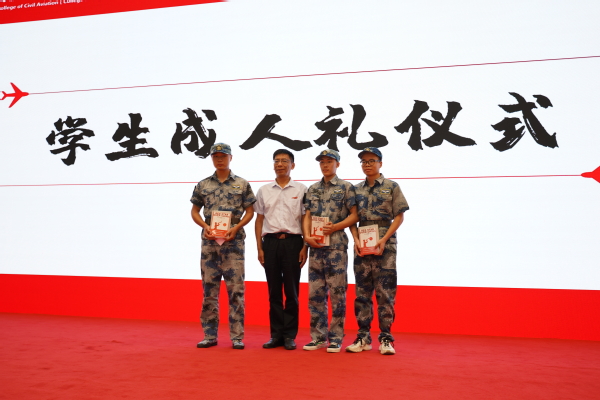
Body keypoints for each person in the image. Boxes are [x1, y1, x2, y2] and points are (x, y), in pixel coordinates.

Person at [190, 143, 256, 350]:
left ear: (231, 158)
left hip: (233, 244)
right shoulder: (203, 185)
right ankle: (209, 335)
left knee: (236, 290)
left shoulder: (242, 184)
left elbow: (250, 212)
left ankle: (237, 337)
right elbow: (194, 211)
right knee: (209, 290)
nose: (220, 159)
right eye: (216, 156)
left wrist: (236, 228)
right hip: (210, 244)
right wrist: (205, 226)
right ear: (212, 159)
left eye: (223, 156)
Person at [346, 147, 409, 355]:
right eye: (364, 161)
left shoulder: (391, 186)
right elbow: (352, 218)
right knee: (362, 292)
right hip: (362, 242)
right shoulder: (355, 189)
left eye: (371, 161)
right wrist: (355, 239)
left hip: (385, 244)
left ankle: (386, 338)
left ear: (380, 163)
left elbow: (399, 216)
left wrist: (384, 238)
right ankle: (363, 337)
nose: (367, 164)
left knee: (385, 292)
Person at [302, 149, 358, 353]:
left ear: (337, 164)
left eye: (329, 162)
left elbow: (355, 215)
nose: (325, 165)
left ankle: (335, 338)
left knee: (337, 293)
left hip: (336, 246)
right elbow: (307, 215)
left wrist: (335, 227)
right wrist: (306, 236)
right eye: (322, 162)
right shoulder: (313, 189)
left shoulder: (346, 187)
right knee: (315, 294)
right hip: (316, 246)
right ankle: (318, 337)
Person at [254, 149, 308, 351]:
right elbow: (259, 220)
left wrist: (305, 246)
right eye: (276, 161)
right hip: (270, 243)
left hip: (294, 243)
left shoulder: (302, 189)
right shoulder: (264, 190)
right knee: (274, 292)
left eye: (285, 161)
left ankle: (289, 336)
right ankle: (275, 335)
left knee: (292, 292)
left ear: (292, 165)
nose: (280, 164)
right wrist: (259, 247)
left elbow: (306, 219)